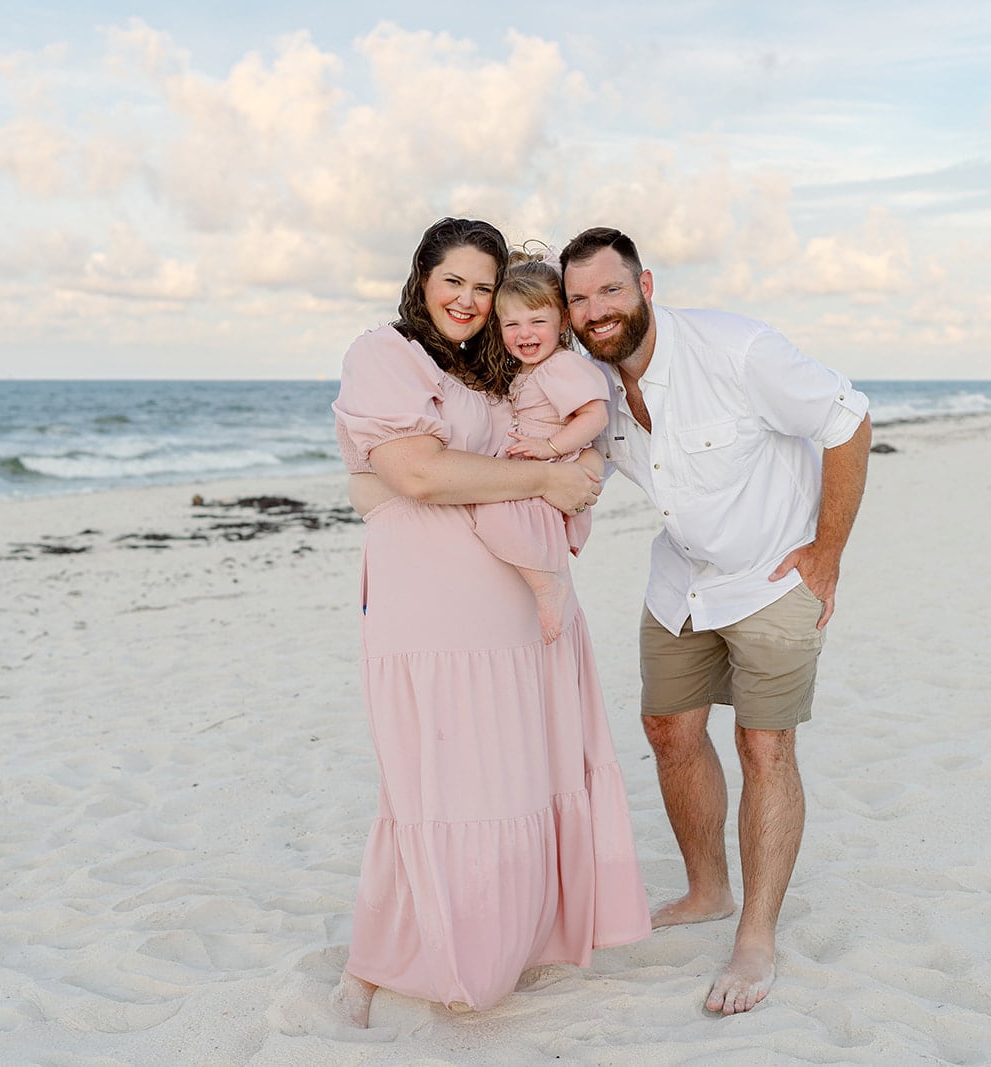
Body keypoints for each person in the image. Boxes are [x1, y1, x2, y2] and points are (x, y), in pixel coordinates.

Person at [329, 218, 651, 1028]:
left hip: (514, 599)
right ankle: (399, 950)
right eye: (455, 281)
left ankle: (514, 936)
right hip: (428, 602)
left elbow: (575, 439)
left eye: (484, 285)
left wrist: (572, 474)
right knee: (434, 775)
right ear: (421, 280)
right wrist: (543, 479)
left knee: (513, 771)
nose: (470, 300)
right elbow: (416, 473)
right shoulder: (384, 354)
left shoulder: (496, 369)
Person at [559, 226, 872, 1016]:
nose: (596, 309)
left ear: (646, 286)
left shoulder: (737, 351)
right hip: (682, 582)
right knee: (668, 729)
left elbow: (846, 419)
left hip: (771, 575)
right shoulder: (588, 384)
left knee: (764, 745)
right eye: (579, 298)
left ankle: (757, 936)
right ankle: (707, 889)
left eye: (610, 289)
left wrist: (826, 552)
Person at [470, 252, 610, 644]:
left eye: (537, 322)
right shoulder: (530, 369)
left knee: (491, 513)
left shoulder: (560, 366)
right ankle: (544, 584)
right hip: (535, 467)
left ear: (563, 322)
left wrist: (550, 447)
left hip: (549, 468)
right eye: (511, 324)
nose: (524, 333)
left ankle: (549, 585)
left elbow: (594, 416)